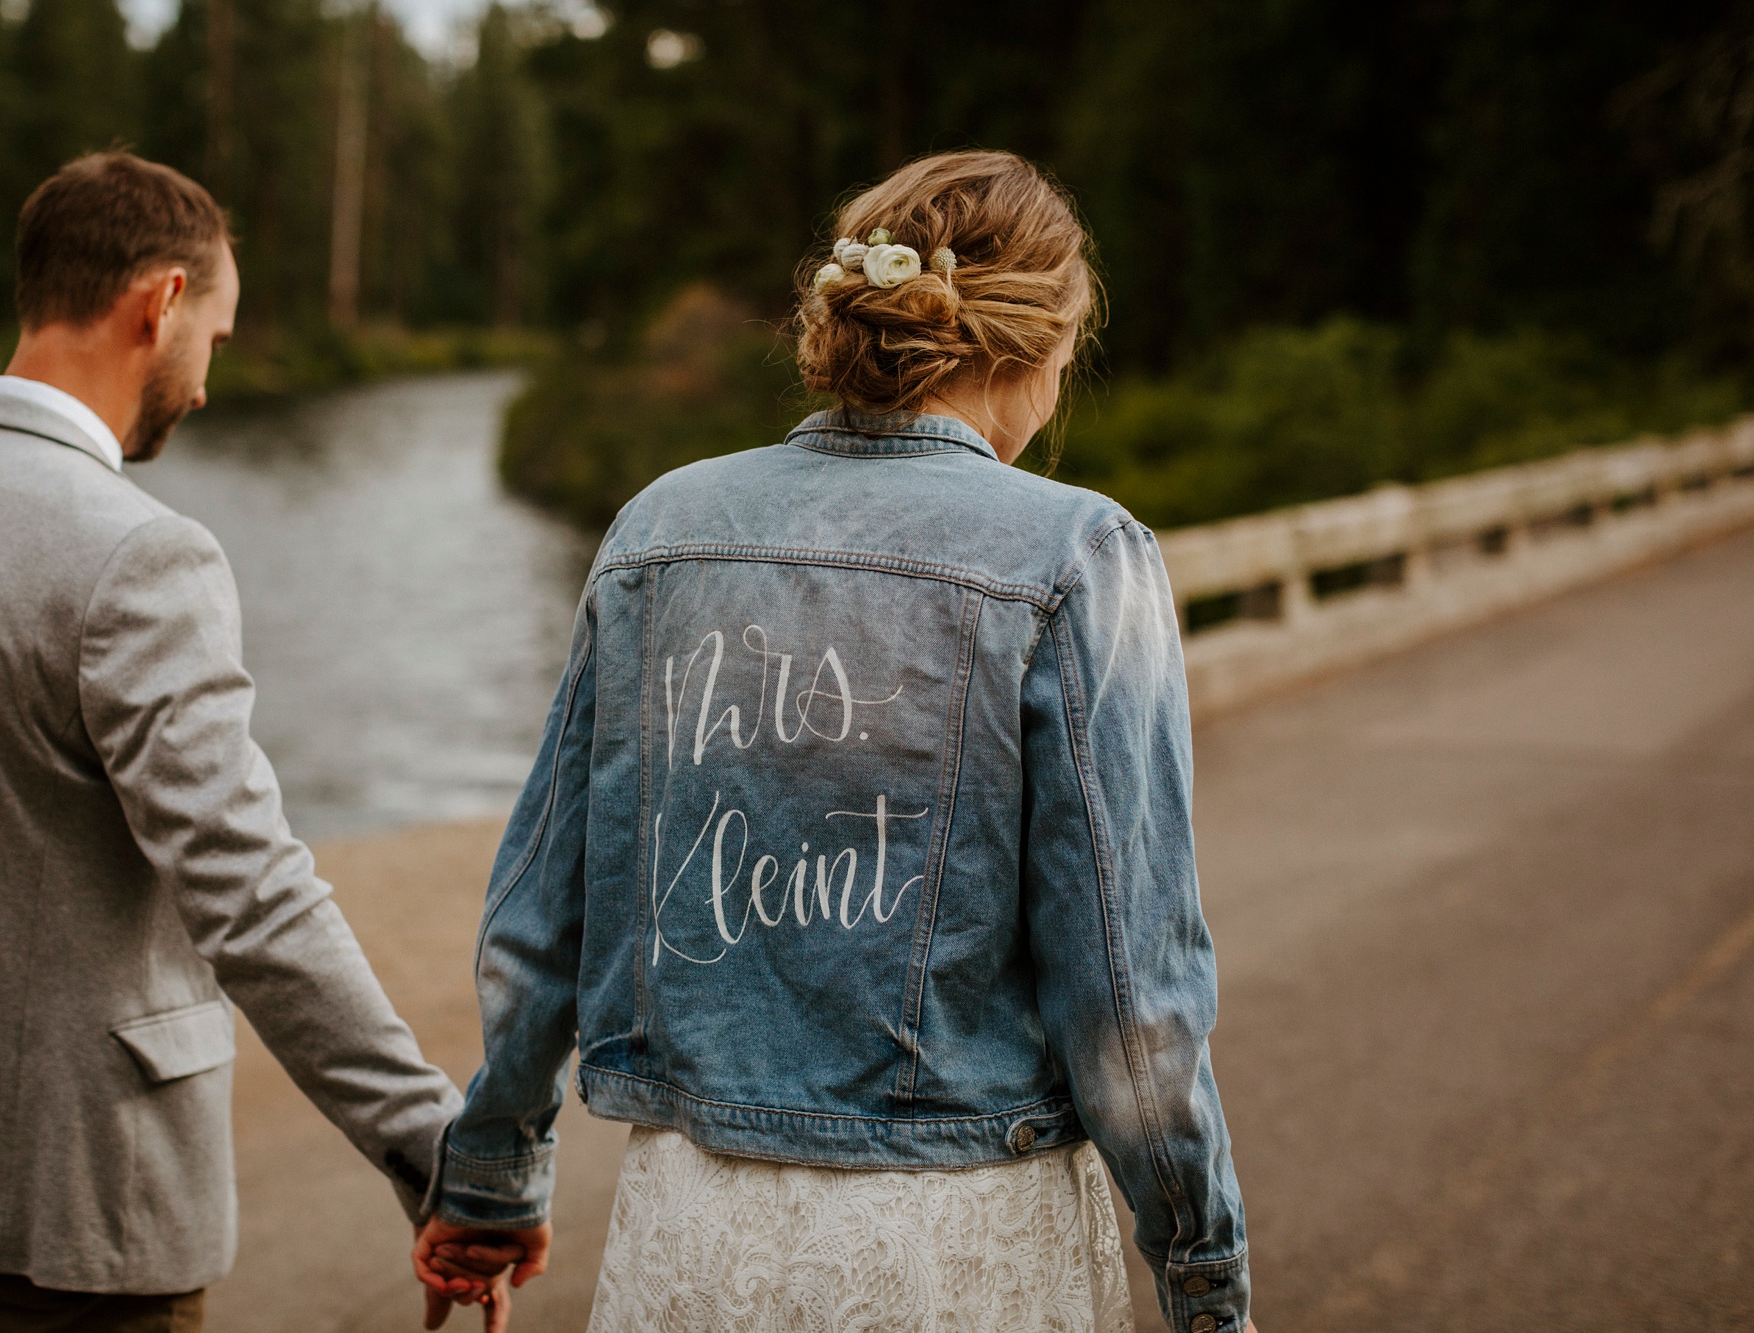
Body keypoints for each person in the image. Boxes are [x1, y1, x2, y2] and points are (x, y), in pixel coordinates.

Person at [414, 150, 1256, 1332]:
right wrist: (1203, 1280)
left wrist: (493, 1177)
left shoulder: (659, 530)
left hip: (690, 1239)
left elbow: (537, 920)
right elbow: (1127, 997)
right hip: (958, 1250)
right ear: (1037, 346)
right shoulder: (1076, 555)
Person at [0, 152, 472, 1332]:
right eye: (219, 341)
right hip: (86, 1198)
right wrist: (434, 1148)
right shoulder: (137, 553)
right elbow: (247, 892)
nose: (203, 388)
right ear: (162, 302)